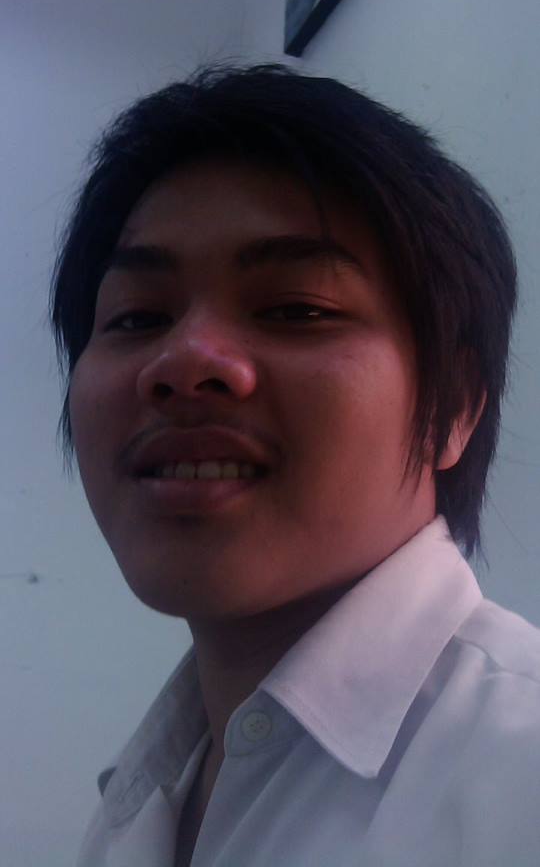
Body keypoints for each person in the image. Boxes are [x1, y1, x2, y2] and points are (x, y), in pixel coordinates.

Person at [49, 63, 540, 867]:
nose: (183, 361)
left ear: (454, 407)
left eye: (296, 309)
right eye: (136, 317)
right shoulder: (141, 798)